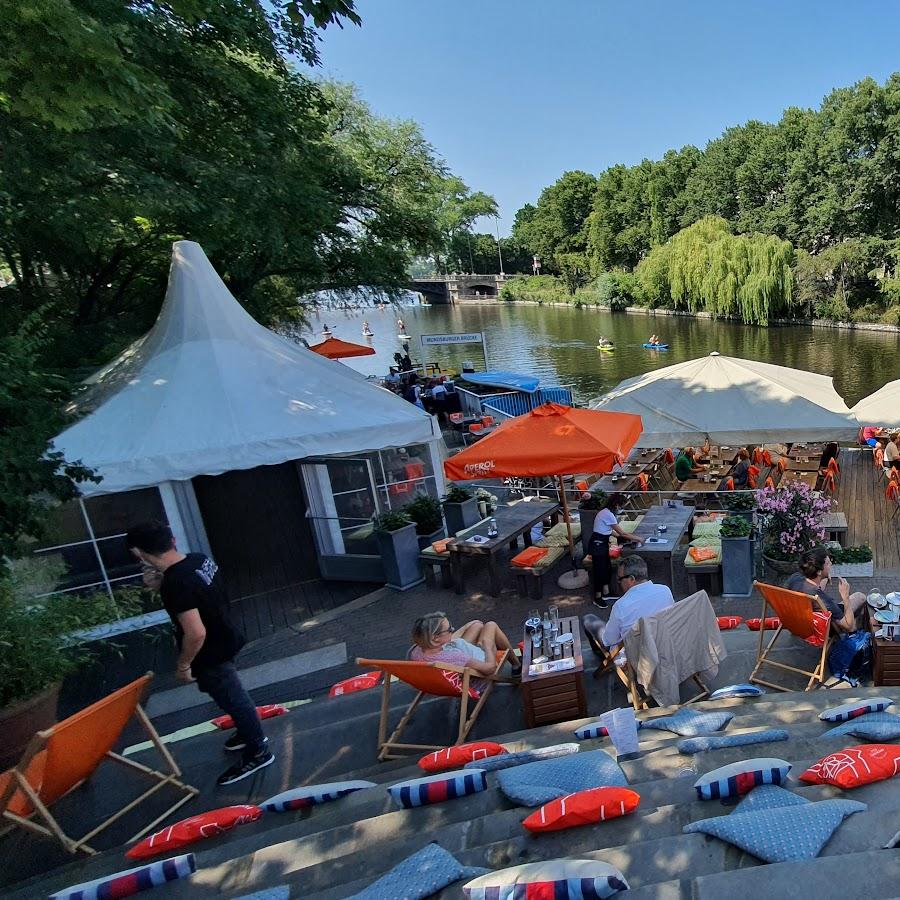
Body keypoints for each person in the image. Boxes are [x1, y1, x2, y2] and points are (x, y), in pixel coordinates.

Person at [125, 521, 274, 786]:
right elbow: (199, 594)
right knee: (227, 694)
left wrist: (183, 665)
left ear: (138, 553)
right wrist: (161, 585)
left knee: (233, 697)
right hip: (226, 635)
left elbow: (195, 633)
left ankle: (258, 749)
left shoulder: (175, 583)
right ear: (172, 540)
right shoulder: (198, 560)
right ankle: (246, 732)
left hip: (210, 651)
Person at [592, 555, 674, 648]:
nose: (619, 582)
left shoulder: (621, 605)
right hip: (663, 647)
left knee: (589, 619)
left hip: (636, 657)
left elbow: (609, 640)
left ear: (632, 579)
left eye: (620, 579)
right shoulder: (665, 590)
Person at [409, 612, 521, 681]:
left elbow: (449, 641)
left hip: (456, 665)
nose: (452, 630)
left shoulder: (417, 650)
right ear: (435, 638)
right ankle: (517, 665)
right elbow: (490, 669)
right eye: (449, 629)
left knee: (477, 626)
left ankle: (516, 664)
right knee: (491, 625)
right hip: (476, 672)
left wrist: (466, 627)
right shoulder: (455, 657)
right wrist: (488, 647)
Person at [786, 547, 866, 633]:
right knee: (860, 597)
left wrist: (825, 577)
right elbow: (848, 626)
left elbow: (814, 585)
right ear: (819, 571)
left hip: (800, 621)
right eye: (828, 563)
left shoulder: (795, 578)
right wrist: (845, 596)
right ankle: (856, 626)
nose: (831, 564)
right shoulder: (824, 600)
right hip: (822, 626)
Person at [590, 494, 643, 608]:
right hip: (597, 544)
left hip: (602, 543)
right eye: (621, 506)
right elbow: (621, 532)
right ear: (616, 505)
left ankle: (606, 593)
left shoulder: (605, 512)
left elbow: (609, 530)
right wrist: (637, 538)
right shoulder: (608, 514)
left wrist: (625, 538)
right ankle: (597, 597)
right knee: (599, 571)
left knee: (607, 568)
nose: (621, 508)